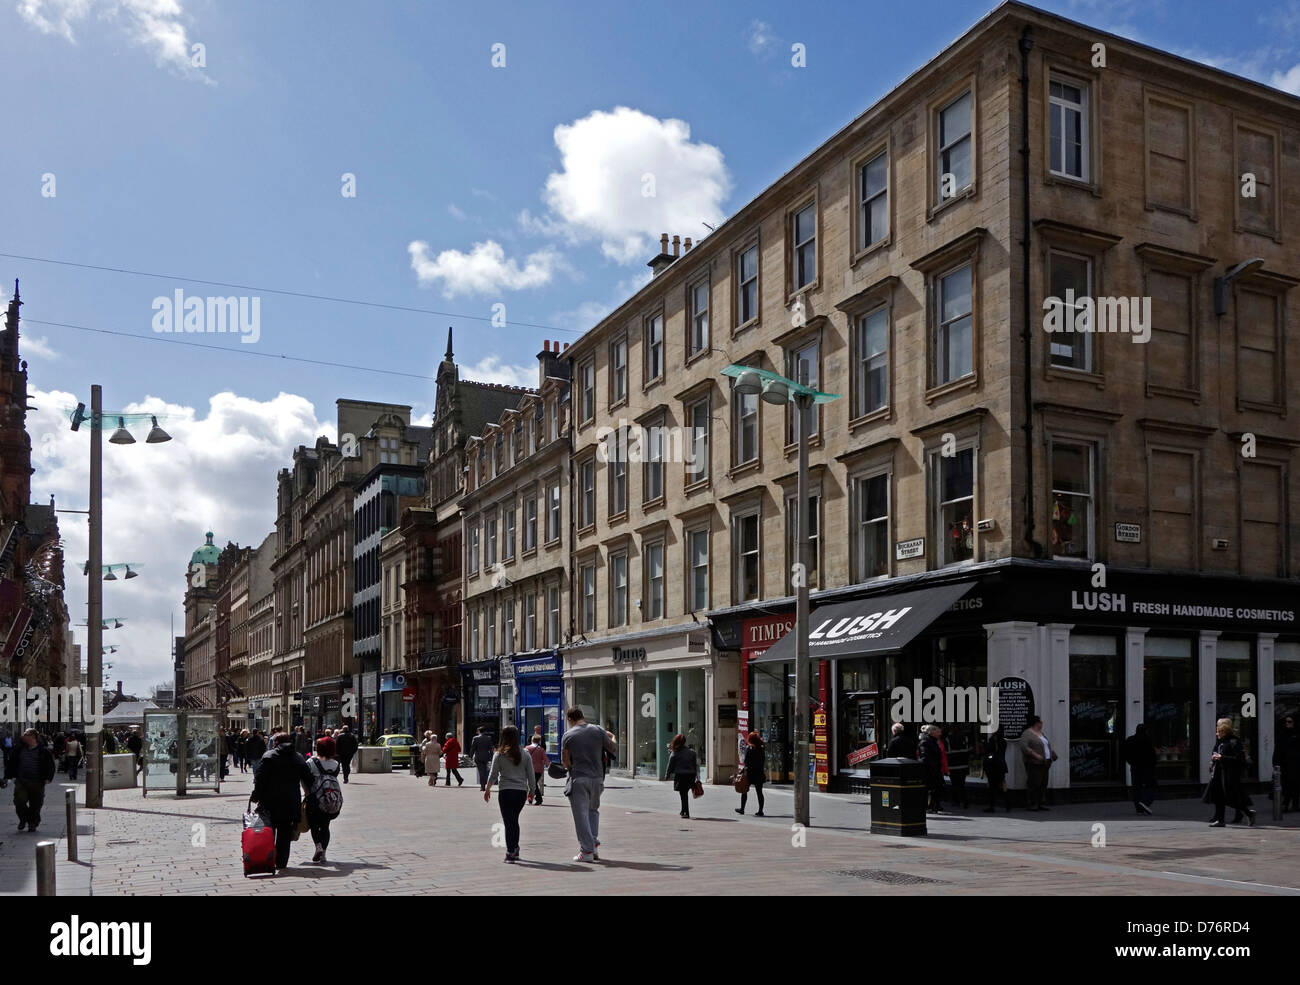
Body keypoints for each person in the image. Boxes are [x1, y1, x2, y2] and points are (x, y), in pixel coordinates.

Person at [250, 731, 314, 871]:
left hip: (269, 802)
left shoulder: (269, 756)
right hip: (291, 801)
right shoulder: (297, 757)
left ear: (275, 742)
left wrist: (256, 796)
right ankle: (281, 862)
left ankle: (268, 859)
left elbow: (260, 779)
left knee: (268, 831)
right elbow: (308, 778)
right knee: (285, 833)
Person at [560, 707, 617, 862]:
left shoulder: (568, 735)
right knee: (593, 811)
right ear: (583, 716)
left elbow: (565, 760)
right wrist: (613, 736)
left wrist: (570, 768)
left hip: (579, 777)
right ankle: (593, 846)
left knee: (581, 815)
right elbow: (613, 747)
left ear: (570, 719)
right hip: (597, 778)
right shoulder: (598, 730)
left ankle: (586, 851)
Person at [484, 725, 536, 862]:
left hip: (506, 791)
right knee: (514, 821)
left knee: (509, 822)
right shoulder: (525, 753)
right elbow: (531, 775)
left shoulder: (499, 754)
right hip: (520, 793)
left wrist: (487, 788)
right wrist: (532, 791)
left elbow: (493, 774)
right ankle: (515, 849)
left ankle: (511, 851)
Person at [1206, 718, 1255, 827]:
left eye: (1219, 729)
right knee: (1218, 796)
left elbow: (1239, 758)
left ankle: (1248, 813)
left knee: (1232, 798)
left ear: (1225, 729)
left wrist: (1222, 757)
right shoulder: (1220, 741)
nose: (1217, 731)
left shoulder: (1234, 741)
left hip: (1229, 774)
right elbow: (1215, 752)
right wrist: (1212, 761)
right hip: (1218, 772)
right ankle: (1220, 820)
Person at [9, 729, 55, 832]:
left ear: (33, 737)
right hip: (22, 781)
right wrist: (8, 775)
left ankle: (32, 823)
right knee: (19, 801)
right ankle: (23, 819)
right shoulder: (19, 749)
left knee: (36, 804)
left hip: (37, 782)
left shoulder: (43, 751)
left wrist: (48, 777)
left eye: (26, 734)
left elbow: (50, 765)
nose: (23, 736)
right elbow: (12, 762)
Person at [305, 736, 343, 863]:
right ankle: (324, 854)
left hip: (314, 798)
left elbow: (305, 780)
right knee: (325, 826)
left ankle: (318, 847)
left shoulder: (311, 762)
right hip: (329, 799)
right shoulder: (336, 764)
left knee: (314, 825)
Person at [1022, 715, 1058, 811]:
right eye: (1040, 722)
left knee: (1043, 783)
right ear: (1036, 723)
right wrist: (1035, 754)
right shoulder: (1027, 733)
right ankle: (1031, 804)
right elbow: (1024, 747)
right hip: (1034, 763)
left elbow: (1046, 745)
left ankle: (1040, 803)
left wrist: (1052, 754)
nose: (1042, 723)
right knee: (1034, 783)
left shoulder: (1041, 733)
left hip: (1045, 762)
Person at [1123, 723, 1158, 815]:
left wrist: (1131, 762)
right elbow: (1152, 755)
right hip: (1147, 767)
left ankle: (1138, 809)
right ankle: (1145, 802)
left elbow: (1125, 754)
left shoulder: (1130, 740)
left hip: (1135, 767)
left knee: (1136, 787)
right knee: (1151, 785)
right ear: (1145, 731)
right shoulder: (1147, 740)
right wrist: (1153, 765)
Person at [664, 733, 699, 818]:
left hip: (681, 776)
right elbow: (695, 765)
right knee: (684, 793)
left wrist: (667, 775)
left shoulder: (675, 752)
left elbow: (670, 765)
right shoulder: (692, 752)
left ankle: (685, 812)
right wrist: (696, 776)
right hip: (690, 775)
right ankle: (683, 810)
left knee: (683, 794)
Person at [735, 731, 767, 816]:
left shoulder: (749, 748)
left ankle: (742, 809)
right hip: (759, 773)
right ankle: (760, 810)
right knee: (759, 792)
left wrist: (741, 771)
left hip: (750, 773)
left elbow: (746, 762)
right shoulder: (761, 749)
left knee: (744, 790)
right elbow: (763, 761)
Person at [1274, 715, 1300, 811]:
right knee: (1286, 785)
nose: (1287, 723)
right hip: (1284, 765)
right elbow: (1277, 751)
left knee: (1295, 785)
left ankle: (1295, 804)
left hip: (1296, 765)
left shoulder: (1297, 735)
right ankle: (1286, 803)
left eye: (1290, 722)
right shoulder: (1282, 735)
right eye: (1286, 722)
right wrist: (1275, 764)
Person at [981, 726, 1010, 812]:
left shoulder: (993, 740)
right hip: (1001, 767)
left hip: (993, 767)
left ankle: (992, 806)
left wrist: (985, 744)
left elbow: (988, 751)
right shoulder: (1004, 741)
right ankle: (1008, 804)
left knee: (992, 787)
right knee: (1003, 785)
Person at [918, 725, 945, 813]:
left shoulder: (933, 741)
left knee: (936, 788)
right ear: (932, 733)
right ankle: (929, 806)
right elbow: (925, 757)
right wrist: (932, 768)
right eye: (937, 732)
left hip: (934, 769)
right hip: (929, 770)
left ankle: (933, 806)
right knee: (930, 789)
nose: (939, 733)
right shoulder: (926, 741)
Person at [945, 725, 970, 809]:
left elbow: (947, 752)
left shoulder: (948, 739)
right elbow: (968, 750)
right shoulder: (965, 737)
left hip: (952, 765)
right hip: (963, 765)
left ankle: (956, 801)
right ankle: (965, 801)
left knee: (954, 784)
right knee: (962, 784)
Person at [469, 726, 495, 791]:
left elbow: (473, 748)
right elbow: (491, 748)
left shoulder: (475, 738)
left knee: (481, 772)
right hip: (486, 756)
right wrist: (492, 757)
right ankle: (484, 785)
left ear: (479, 731)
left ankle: (482, 786)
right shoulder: (488, 738)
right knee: (484, 771)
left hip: (478, 757)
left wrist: (471, 756)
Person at [527, 733, 548, 805]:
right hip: (539, 770)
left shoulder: (527, 748)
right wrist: (549, 766)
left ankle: (537, 799)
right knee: (533, 784)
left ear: (532, 740)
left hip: (529, 769)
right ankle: (533, 798)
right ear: (539, 741)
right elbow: (546, 760)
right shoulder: (541, 749)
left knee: (532, 784)